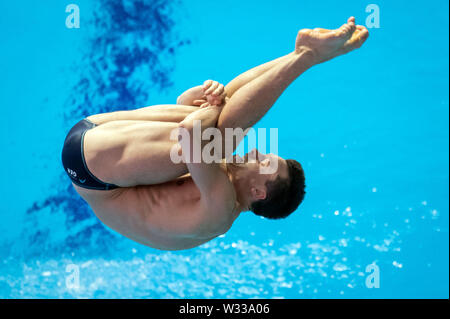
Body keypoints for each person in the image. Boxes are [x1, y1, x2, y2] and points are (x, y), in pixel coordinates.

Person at [61, 17, 369, 250]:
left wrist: (210, 106)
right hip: (96, 135)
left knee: (219, 134)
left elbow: (188, 134)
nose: (254, 152)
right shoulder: (222, 177)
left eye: (262, 160)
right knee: (223, 121)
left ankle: (307, 58)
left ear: (259, 192)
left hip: (94, 169)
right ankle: (300, 53)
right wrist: (206, 97)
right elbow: (184, 108)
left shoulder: (220, 209)